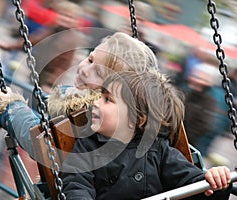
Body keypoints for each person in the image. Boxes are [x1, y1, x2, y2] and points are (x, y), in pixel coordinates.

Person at [61, 71, 232, 199]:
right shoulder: (87, 146)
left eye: (107, 100)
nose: (95, 103)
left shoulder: (158, 150)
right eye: (101, 96)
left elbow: (195, 186)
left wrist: (215, 181)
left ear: (137, 120)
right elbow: (76, 184)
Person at [0, 32, 159, 159]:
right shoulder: (84, 105)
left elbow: (42, 145)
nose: (85, 70)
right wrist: (51, 99)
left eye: (99, 72)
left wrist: (12, 107)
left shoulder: (92, 115)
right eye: (90, 60)